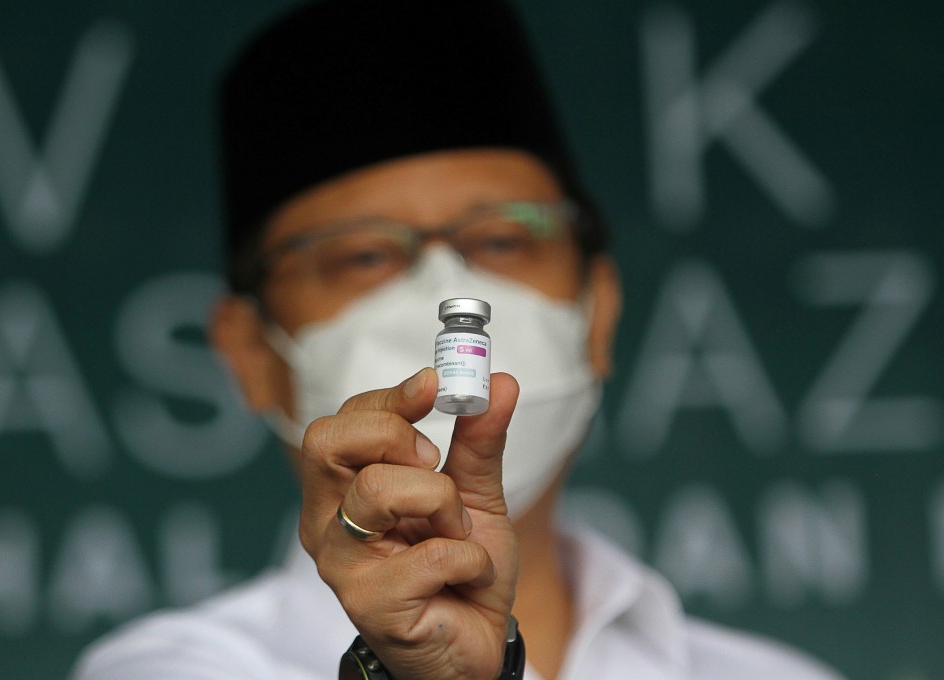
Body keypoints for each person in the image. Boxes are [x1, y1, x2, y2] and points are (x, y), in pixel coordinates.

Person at [72, 1, 846, 679]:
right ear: (252, 357)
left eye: (506, 240)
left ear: (598, 312)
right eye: (363, 255)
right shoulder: (171, 669)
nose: (448, 293)